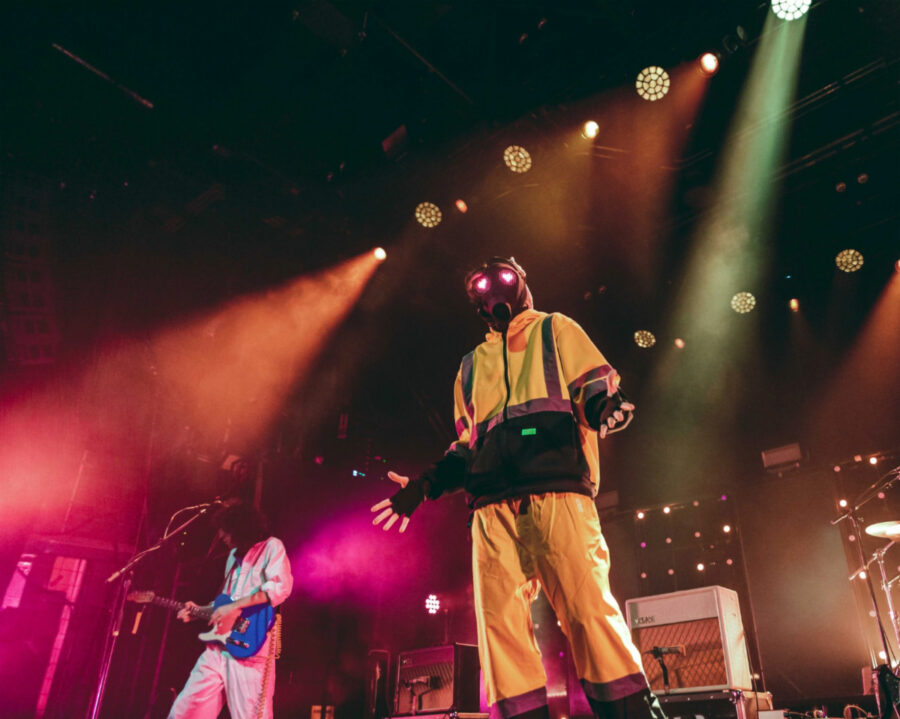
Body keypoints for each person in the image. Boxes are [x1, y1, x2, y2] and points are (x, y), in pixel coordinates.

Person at [372, 257, 664, 719]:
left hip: (558, 495)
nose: (494, 291)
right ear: (476, 303)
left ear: (522, 284)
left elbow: (594, 386)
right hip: (490, 511)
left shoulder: (555, 330)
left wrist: (606, 405)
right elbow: (467, 445)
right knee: (500, 633)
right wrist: (424, 486)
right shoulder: (470, 367)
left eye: (504, 279)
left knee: (589, 615)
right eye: (482, 287)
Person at [168, 502, 293, 719]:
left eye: (226, 531)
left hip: (252, 649)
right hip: (219, 647)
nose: (222, 536)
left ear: (241, 529)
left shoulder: (272, 547)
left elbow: (279, 588)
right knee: (186, 711)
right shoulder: (233, 556)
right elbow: (226, 600)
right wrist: (200, 610)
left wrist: (234, 606)